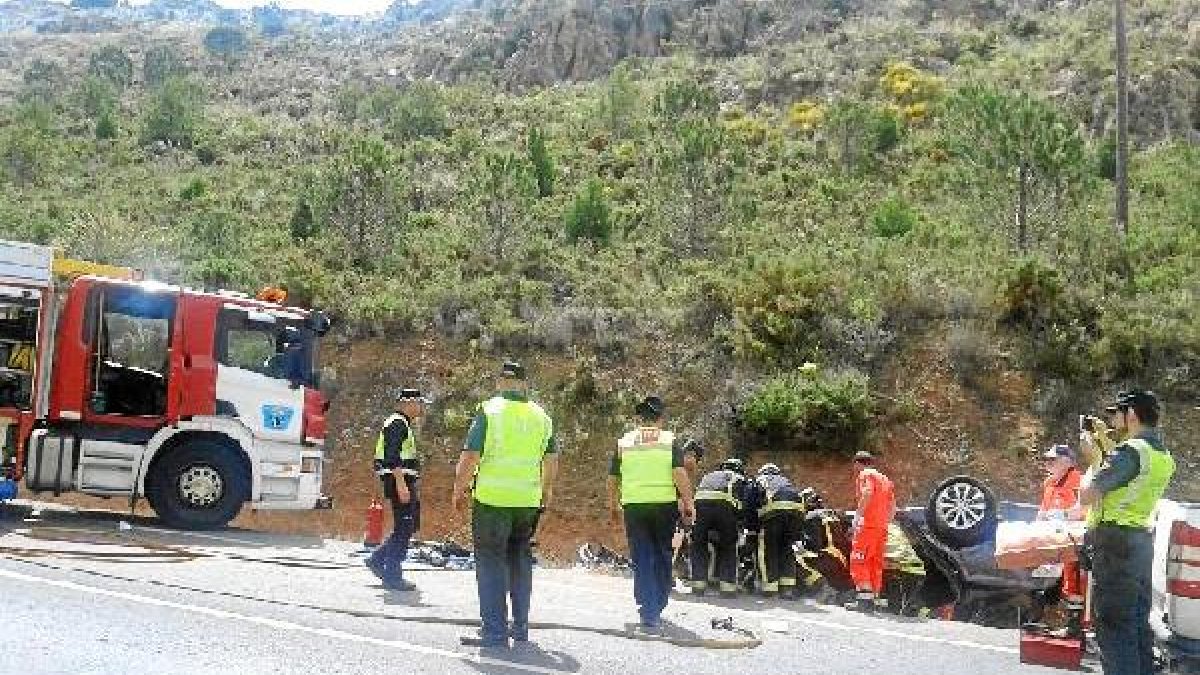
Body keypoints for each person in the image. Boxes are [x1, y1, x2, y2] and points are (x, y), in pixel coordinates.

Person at [452, 360, 557, 650]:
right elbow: (551, 462)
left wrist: (458, 489)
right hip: (526, 503)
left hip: (492, 501)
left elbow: (471, 455)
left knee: (490, 562)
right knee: (520, 561)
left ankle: (494, 631)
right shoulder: (542, 416)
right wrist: (546, 493)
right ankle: (520, 627)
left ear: (500, 382)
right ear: (524, 383)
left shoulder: (489, 410)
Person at [1080, 390, 1175, 675]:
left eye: (1117, 413)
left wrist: (1095, 458)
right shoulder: (1163, 455)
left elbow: (1088, 495)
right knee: (1136, 626)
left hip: (1115, 544)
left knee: (1113, 627)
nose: (1113, 419)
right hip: (1141, 544)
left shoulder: (1131, 452)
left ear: (1131, 414)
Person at [608, 395, 696, 632]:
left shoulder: (624, 442)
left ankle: (647, 607)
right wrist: (688, 503)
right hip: (663, 506)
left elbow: (613, 478)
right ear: (660, 418)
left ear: (639, 418)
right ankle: (657, 602)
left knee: (642, 556)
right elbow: (679, 473)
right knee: (662, 553)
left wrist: (612, 505)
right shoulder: (669, 440)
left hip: (634, 506)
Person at [364, 388, 428, 591]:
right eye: (419, 403)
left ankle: (377, 559)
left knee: (408, 525)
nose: (421, 407)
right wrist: (401, 484)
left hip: (402, 480)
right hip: (399, 480)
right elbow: (392, 457)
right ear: (408, 403)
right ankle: (393, 574)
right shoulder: (397, 423)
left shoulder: (402, 423)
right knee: (404, 527)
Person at [690, 457, 751, 597]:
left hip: (700, 506)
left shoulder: (708, 476)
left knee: (699, 545)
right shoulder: (739, 478)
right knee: (728, 545)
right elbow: (745, 503)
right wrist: (740, 522)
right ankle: (727, 588)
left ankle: (698, 586)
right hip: (724, 508)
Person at [746, 463, 805, 598]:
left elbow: (750, 504)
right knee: (787, 549)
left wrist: (752, 529)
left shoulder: (759, 481)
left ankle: (770, 588)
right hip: (796, 515)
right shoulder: (786, 481)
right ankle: (787, 589)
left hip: (773, 515)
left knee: (768, 550)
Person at [848, 451, 896, 612]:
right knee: (874, 562)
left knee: (859, 559)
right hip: (881, 528)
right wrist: (884, 523)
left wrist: (858, 516)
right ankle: (874, 597)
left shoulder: (865, 474)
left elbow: (867, 493)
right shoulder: (885, 479)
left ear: (857, 463)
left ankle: (864, 600)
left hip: (868, 526)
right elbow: (893, 507)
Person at [1037, 444, 1083, 521]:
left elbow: (1087, 510)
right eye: (1046, 459)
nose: (1048, 462)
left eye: (1053, 459)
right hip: (1050, 528)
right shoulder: (1049, 483)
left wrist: (1064, 514)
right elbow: (1043, 511)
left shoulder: (1080, 481)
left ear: (1068, 463)